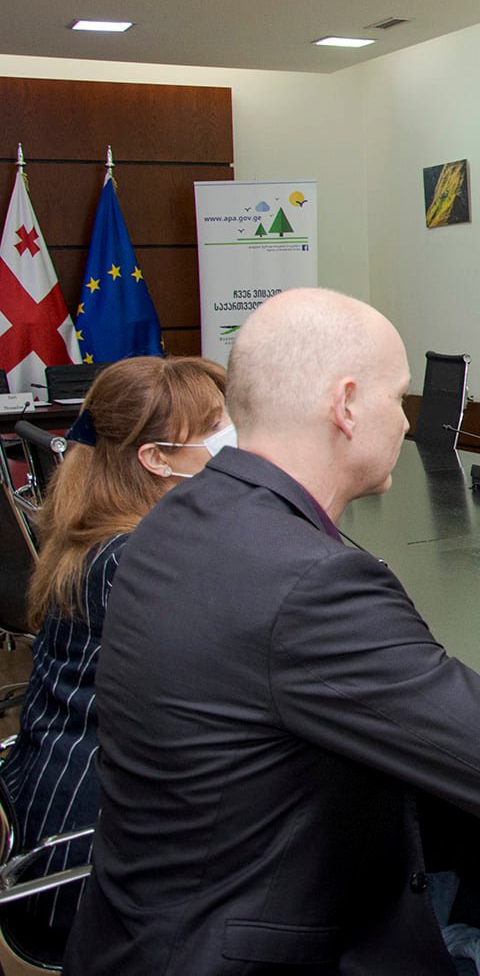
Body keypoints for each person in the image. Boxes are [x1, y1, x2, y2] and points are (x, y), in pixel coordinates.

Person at [66, 288, 480, 975]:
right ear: (347, 405)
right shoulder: (312, 582)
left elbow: (301, 686)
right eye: (398, 398)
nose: (406, 420)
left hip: (154, 933)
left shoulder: (177, 522)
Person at [0, 356, 228, 963]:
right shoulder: (138, 563)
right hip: (90, 877)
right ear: (156, 459)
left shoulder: (99, 534)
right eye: (215, 427)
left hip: (54, 819)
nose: (234, 437)